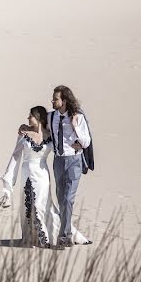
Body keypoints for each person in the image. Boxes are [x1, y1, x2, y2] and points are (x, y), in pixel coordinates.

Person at [0, 106, 90, 248]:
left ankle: (47, 237)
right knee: (30, 204)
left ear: (38, 117)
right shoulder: (24, 134)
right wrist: (8, 185)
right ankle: (35, 238)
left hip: (42, 175)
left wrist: (78, 149)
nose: (28, 119)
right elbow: (15, 157)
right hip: (27, 173)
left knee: (43, 204)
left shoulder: (50, 134)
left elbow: (64, 145)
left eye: (30, 116)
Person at [49, 85, 91, 246]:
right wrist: (25, 128)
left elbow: (86, 142)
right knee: (61, 199)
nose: (52, 101)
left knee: (68, 199)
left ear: (64, 101)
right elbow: (39, 127)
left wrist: (74, 126)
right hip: (58, 161)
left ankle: (65, 236)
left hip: (74, 161)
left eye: (55, 99)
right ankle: (66, 231)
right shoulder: (51, 117)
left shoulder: (78, 117)